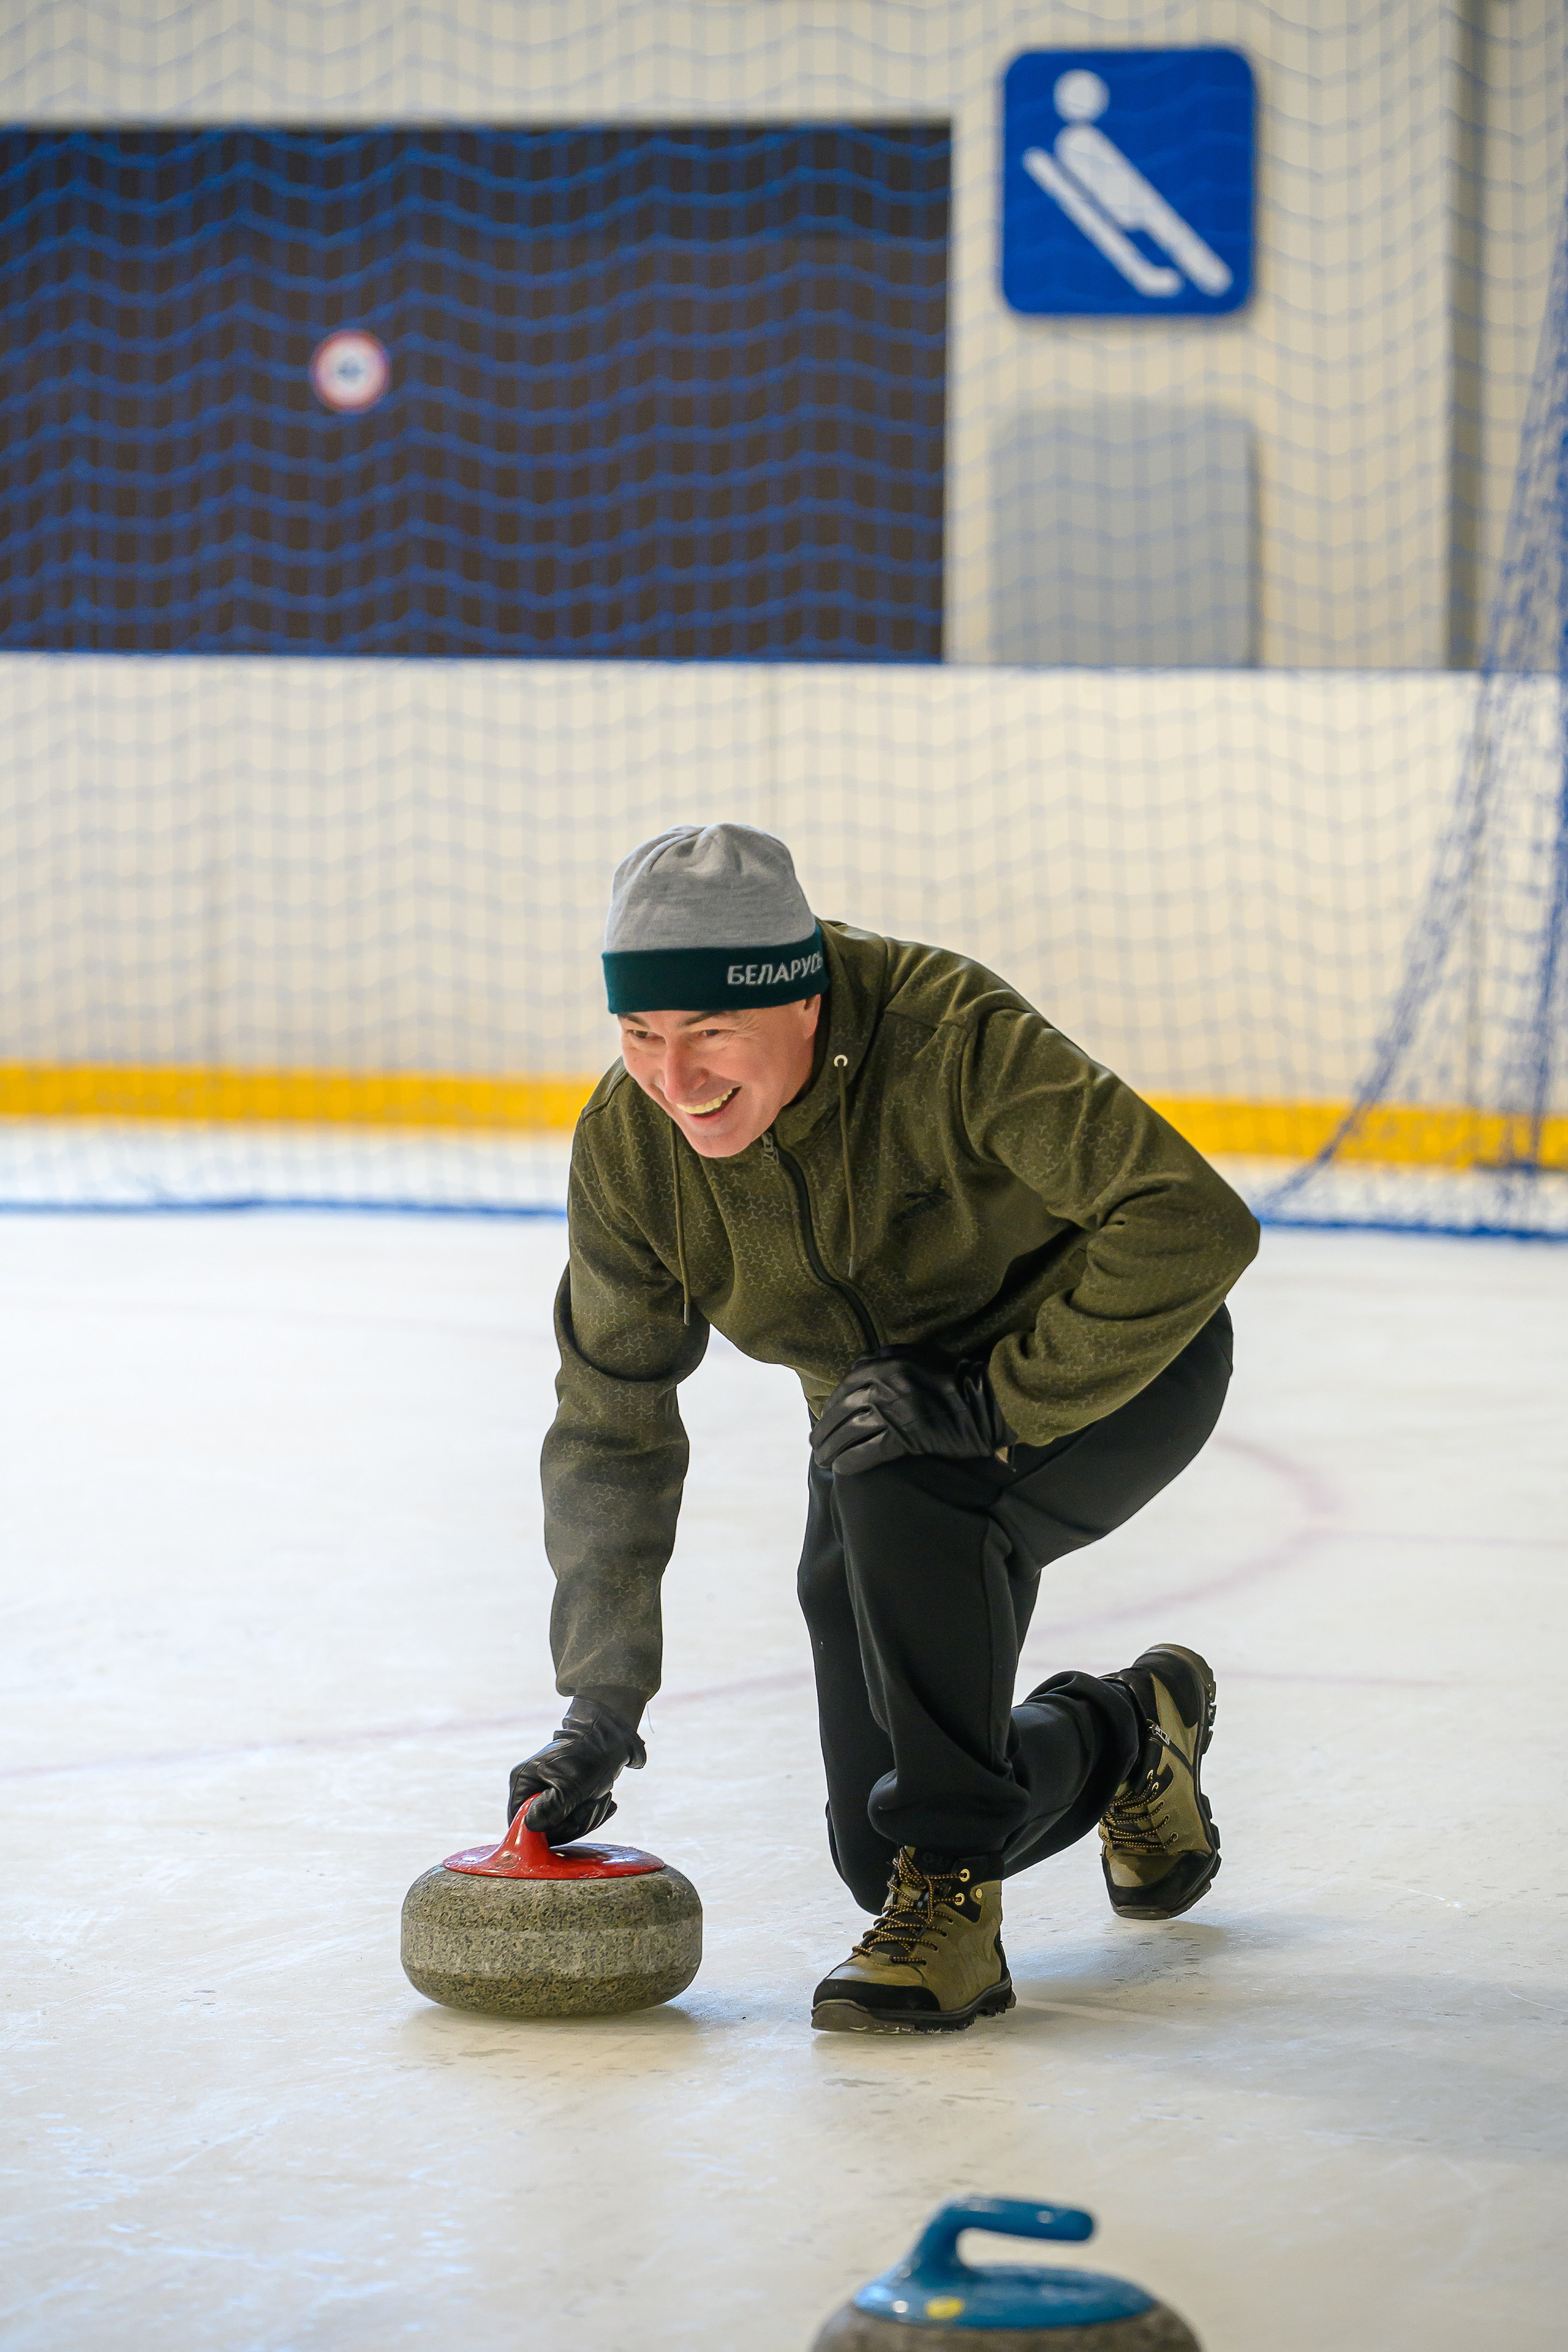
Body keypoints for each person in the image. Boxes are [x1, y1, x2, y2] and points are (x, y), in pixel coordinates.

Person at [508, 823, 1259, 2034]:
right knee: (882, 1839)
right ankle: (1131, 1732)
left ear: (798, 997)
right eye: (641, 1034)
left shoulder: (944, 1035)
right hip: (878, 1446)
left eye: (708, 1032)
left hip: (1114, 1372)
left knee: (930, 1799)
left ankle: (951, 1910)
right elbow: (611, 1421)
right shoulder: (631, 1150)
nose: (674, 1078)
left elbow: (1186, 1224)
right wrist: (602, 1702)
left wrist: (994, 1399)